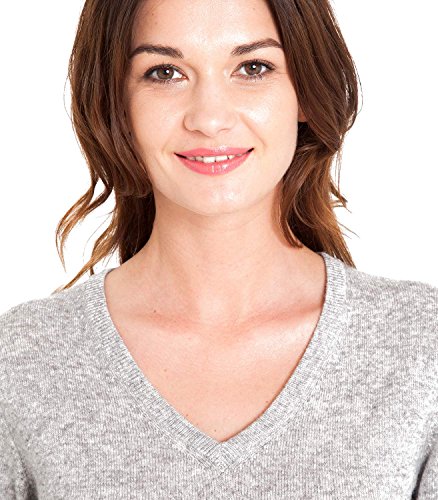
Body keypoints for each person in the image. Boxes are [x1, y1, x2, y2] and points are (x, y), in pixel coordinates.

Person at [0, 0, 436, 498]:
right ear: (116, 104)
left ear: (306, 93)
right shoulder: (23, 359)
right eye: (165, 72)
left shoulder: (420, 347)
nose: (209, 118)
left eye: (253, 68)